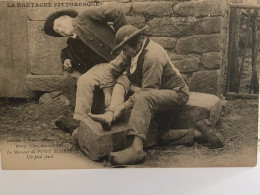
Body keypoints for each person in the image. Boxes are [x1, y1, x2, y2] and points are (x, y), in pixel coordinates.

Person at [88, 25, 224, 165]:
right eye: (123, 49)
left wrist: (122, 107)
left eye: (126, 48)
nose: (124, 53)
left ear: (139, 41)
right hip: (156, 93)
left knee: (143, 97)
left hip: (175, 93)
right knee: (159, 136)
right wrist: (107, 92)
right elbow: (111, 70)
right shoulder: (129, 51)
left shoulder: (153, 55)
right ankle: (199, 132)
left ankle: (136, 149)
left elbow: (148, 92)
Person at [43, 7, 129, 132]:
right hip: (104, 68)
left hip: (119, 60)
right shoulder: (72, 43)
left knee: (119, 85)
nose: (60, 30)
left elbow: (117, 12)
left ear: (67, 18)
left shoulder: (85, 17)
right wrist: (66, 61)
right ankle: (81, 122)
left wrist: (125, 41)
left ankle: (107, 117)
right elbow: (66, 53)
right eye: (58, 31)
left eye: (59, 26)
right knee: (84, 80)